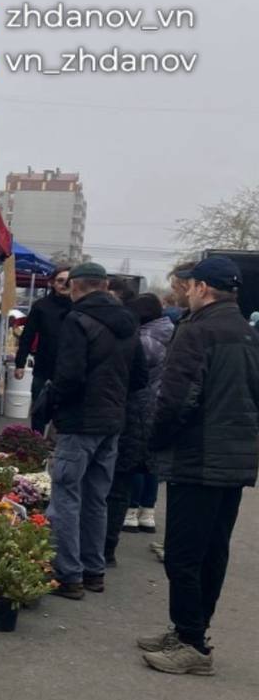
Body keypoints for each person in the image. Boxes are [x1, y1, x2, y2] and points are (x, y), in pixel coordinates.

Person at [139, 257, 259, 676]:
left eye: (188, 285)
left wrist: (154, 442)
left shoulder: (198, 330)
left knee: (184, 555)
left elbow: (176, 399)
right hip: (234, 458)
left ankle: (192, 643)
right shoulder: (247, 331)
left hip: (198, 456)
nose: (183, 292)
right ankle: (191, 629)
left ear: (202, 288)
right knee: (212, 551)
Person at [43, 262, 143, 599]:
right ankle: (93, 570)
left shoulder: (76, 320)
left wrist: (54, 404)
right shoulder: (129, 323)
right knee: (97, 498)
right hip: (113, 421)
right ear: (104, 285)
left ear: (75, 286)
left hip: (80, 421)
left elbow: (69, 376)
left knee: (66, 496)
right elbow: (140, 376)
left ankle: (68, 574)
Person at [102, 294, 152, 567]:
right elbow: (142, 378)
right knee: (120, 487)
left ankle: (88, 549)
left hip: (102, 416)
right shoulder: (134, 336)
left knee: (93, 485)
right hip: (134, 415)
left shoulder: (91, 331)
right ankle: (107, 550)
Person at [124, 294, 172, 534]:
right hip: (163, 403)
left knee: (135, 460)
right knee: (152, 462)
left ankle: (131, 510)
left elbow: (135, 374)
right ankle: (148, 512)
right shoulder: (172, 333)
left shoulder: (145, 340)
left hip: (142, 403)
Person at [15, 265, 72, 433]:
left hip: (70, 369)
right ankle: (36, 446)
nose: (64, 284)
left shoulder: (81, 306)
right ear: (52, 283)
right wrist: (20, 363)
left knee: (65, 413)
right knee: (39, 410)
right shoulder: (41, 306)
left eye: (68, 281)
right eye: (60, 281)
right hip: (44, 366)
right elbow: (28, 335)